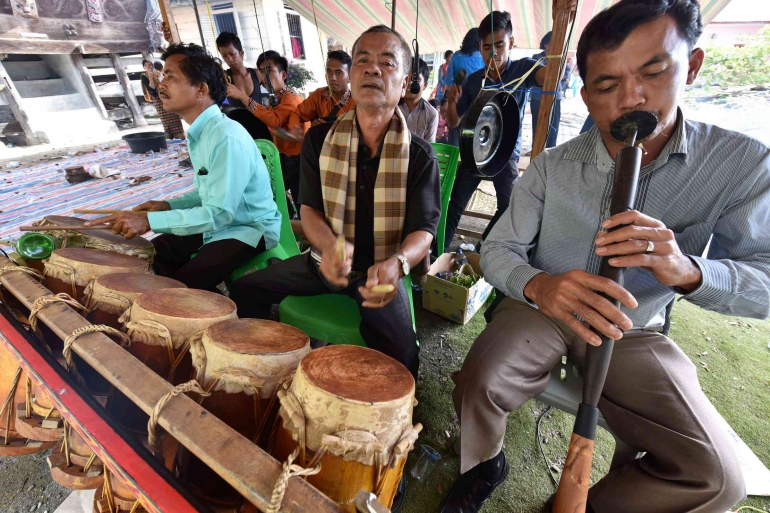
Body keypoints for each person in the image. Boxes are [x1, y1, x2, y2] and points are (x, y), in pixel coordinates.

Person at [442, 1, 768, 512]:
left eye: (653, 72)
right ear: (585, 90)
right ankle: (483, 465)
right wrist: (540, 285)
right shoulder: (552, 166)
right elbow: (499, 249)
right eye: (606, 86)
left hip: (631, 329)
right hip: (540, 310)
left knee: (718, 477)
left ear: (694, 66)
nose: (630, 99)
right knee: (479, 381)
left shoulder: (740, 165)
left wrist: (689, 270)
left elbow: (764, 280)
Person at [228, 25, 441, 379]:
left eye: (387, 63)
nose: (373, 69)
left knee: (403, 355)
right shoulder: (319, 140)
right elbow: (309, 209)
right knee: (246, 288)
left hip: (378, 272)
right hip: (320, 261)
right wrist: (329, 248)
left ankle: (397, 416)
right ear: (352, 75)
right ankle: (265, 369)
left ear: (405, 83)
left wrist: (399, 263)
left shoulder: (419, 156)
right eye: (363, 60)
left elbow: (425, 230)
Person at [85, 43, 281, 292]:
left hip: (249, 228)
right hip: (222, 221)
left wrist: (149, 221)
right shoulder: (201, 132)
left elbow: (220, 213)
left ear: (201, 89)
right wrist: (168, 206)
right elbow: (206, 193)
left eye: (170, 76)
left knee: (179, 288)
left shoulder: (225, 137)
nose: (161, 84)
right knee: (153, 258)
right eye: (163, 75)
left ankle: (216, 318)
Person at [444, 10, 559, 250]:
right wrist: (452, 103)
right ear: (480, 48)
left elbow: (548, 77)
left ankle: (481, 249)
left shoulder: (522, 69)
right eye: (487, 48)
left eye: (499, 45)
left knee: (509, 207)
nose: (493, 53)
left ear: (511, 43)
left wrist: (556, 52)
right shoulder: (475, 80)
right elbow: (454, 122)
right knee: (455, 204)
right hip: (474, 152)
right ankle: (436, 256)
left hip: (505, 153)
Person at [248, 50, 309, 216]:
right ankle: (291, 223)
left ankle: (299, 230)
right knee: (273, 190)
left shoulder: (290, 98)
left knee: (294, 199)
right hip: (285, 156)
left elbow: (273, 120)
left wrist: (244, 98)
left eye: (269, 71)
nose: (265, 77)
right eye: (262, 72)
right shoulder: (277, 98)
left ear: (283, 74)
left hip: (296, 160)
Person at [440, 28, 485, 146]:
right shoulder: (482, 57)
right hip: (478, 103)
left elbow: (448, 81)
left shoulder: (456, 56)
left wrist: (447, 101)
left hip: (458, 100)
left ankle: (453, 161)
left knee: (454, 135)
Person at [530, 31, 573, 148]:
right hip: (537, 97)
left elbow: (566, 73)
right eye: (552, 43)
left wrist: (558, 72)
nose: (555, 46)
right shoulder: (537, 57)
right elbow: (542, 75)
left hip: (555, 97)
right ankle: (537, 149)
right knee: (538, 125)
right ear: (545, 44)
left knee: (553, 125)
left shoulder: (560, 59)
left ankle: (550, 149)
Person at [295, 50, 356, 125]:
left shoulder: (356, 102)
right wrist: (295, 128)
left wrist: (325, 129)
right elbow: (297, 114)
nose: (332, 77)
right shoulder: (319, 95)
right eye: (329, 72)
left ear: (350, 77)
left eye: (339, 72)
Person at [216, 31, 264, 110]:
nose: (229, 59)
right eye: (224, 56)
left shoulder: (257, 74)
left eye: (232, 54)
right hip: (236, 122)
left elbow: (275, 90)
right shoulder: (225, 77)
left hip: (260, 121)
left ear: (241, 53)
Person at [141, 59, 185, 140]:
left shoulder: (159, 73)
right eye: (146, 65)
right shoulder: (144, 76)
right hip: (158, 99)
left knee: (173, 115)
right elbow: (152, 89)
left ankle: (180, 136)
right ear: (144, 67)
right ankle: (169, 137)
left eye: (150, 65)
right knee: (165, 119)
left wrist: (159, 75)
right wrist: (151, 77)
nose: (148, 67)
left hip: (167, 96)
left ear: (152, 66)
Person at [399, 58, 439, 142]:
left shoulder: (431, 114)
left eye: (415, 79)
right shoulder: (390, 107)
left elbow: (429, 147)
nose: (409, 83)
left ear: (425, 85)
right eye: (407, 79)